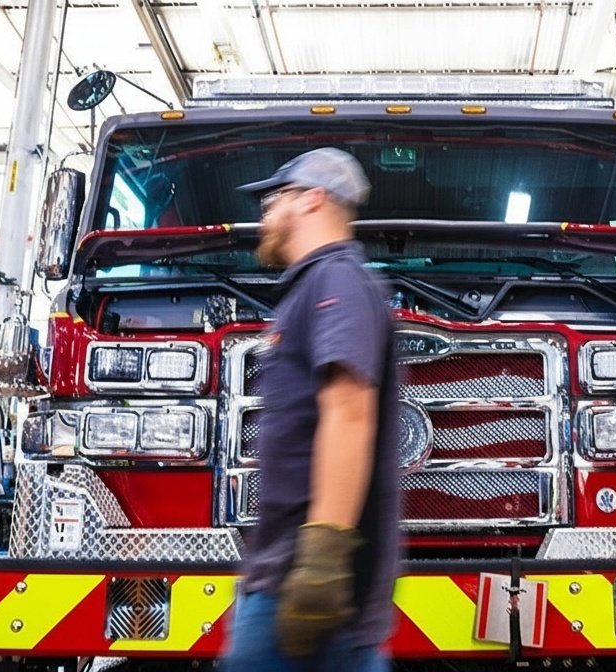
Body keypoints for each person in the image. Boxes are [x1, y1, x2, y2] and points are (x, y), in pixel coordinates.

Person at [222, 148, 399, 671]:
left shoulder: (335, 280)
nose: (265, 215)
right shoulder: (311, 287)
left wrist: (322, 560)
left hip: (305, 584)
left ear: (312, 199)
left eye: (275, 200)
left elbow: (349, 412)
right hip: (289, 573)